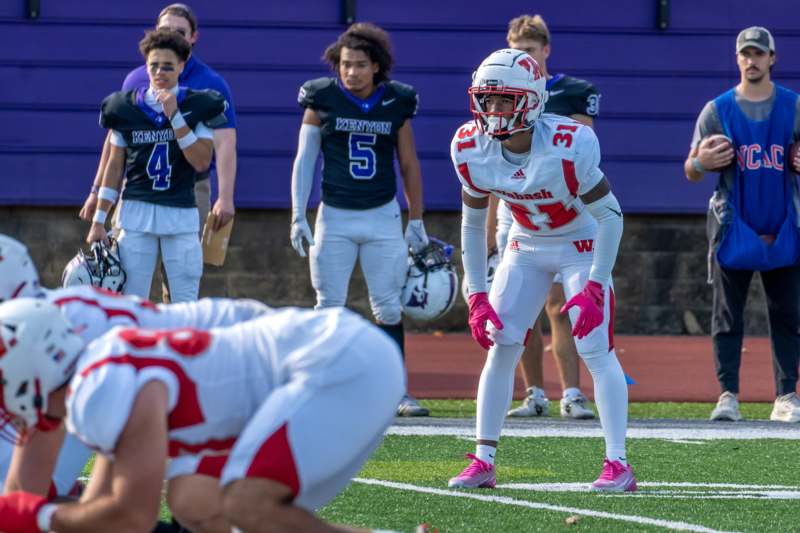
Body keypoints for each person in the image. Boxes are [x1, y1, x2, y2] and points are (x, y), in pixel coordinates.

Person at [0, 298, 404, 533]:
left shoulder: (99, 387)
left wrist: (35, 514)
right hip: (328, 356)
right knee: (199, 502)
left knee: (248, 503)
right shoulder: (98, 375)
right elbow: (102, 513)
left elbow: (133, 517)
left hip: (334, 360)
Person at [448, 49, 634, 491]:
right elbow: (472, 223)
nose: (492, 112)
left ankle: (618, 463)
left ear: (531, 101)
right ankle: (483, 458)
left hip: (581, 243)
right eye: (486, 101)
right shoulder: (470, 147)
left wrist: (593, 285)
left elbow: (611, 217)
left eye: (504, 101)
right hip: (526, 243)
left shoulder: (570, 145)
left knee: (595, 348)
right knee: (501, 345)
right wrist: (475, 294)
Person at [0, 233, 269, 533]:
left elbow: (25, 494)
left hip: (242, 369)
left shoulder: (46, 338)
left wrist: (35, 510)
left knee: (192, 501)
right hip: (193, 387)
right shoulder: (37, 326)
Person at [290, 23, 430, 416]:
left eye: (360, 65)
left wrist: (415, 218)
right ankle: (324, 385)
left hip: (382, 216)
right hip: (334, 216)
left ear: (377, 67)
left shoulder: (396, 101)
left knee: (387, 306)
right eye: (346, 64)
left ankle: (395, 390)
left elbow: (408, 162)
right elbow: (304, 160)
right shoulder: (321, 98)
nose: (351, 72)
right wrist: (297, 213)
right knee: (328, 303)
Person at [80, 4, 238, 303]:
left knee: (183, 301)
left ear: (183, 62)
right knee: (130, 297)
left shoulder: (204, 97)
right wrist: (99, 214)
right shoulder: (125, 101)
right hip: (136, 206)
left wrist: (175, 116)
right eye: (154, 66)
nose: (160, 72)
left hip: (182, 204)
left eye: (168, 66)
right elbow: (115, 160)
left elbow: (209, 156)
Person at [685, 26, 800, 423]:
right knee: (728, 316)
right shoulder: (717, 110)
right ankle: (728, 394)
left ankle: (786, 395)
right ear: (737, 59)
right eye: (745, 54)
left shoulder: (794, 107)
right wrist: (702, 162)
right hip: (734, 224)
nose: (752, 61)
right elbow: (690, 169)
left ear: (772, 58)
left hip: (784, 223)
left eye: (759, 53)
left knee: (787, 314)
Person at [495, 14, 600, 420]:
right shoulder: (499, 93)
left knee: (559, 304)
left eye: (531, 51)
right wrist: (490, 229)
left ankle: (571, 391)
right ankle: (532, 392)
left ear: (546, 51)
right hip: (514, 206)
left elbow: (583, 154)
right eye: (517, 52)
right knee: (521, 309)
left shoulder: (572, 93)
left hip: (560, 204)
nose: (525, 60)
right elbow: (490, 165)